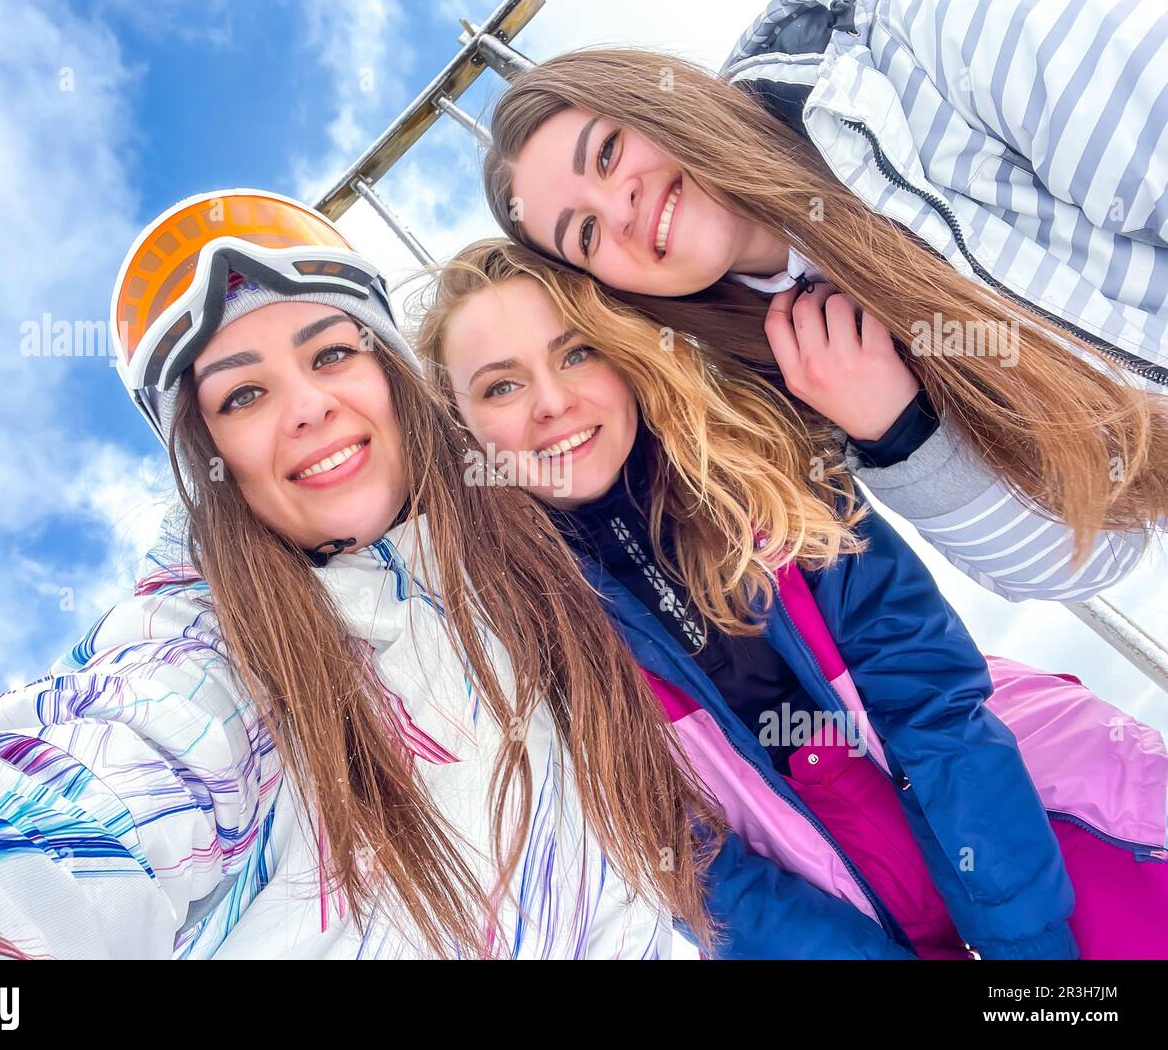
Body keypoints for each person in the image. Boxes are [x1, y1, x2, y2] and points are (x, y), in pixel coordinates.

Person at [0, 189, 729, 960]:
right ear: (215, 461)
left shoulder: (540, 565)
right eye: (243, 397)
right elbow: (79, 798)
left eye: (329, 357)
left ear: (392, 376)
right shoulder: (223, 658)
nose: (308, 406)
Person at [412, 235, 1168, 959]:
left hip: (1029, 813)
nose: (551, 402)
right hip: (826, 913)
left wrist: (1030, 949)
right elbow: (684, 860)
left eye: (576, 352)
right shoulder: (513, 635)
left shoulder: (761, 467)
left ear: (623, 355)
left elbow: (928, 696)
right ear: (464, 429)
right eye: (501, 384)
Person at [480, 0, 1168, 602]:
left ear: (657, 98)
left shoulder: (912, 47)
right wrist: (902, 434)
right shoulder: (789, 376)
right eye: (587, 234)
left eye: (605, 153)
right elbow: (1092, 553)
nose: (619, 207)